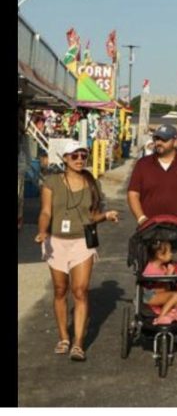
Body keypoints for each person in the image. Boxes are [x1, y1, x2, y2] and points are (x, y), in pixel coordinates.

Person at [35, 140, 120, 361]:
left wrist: (106, 216)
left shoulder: (92, 183)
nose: (80, 159)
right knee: (60, 290)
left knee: (80, 290)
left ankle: (78, 343)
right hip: (56, 242)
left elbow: (92, 216)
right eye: (75, 156)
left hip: (83, 241)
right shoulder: (52, 182)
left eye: (84, 155)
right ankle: (64, 337)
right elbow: (45, 211)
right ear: (64, 158)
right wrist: (43, 231)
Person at [127, 124, 177, 226]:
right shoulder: (143, 164)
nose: (159, 143)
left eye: (164, 140)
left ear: (176, 141)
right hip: (149, 228)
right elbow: (133, 193)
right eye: (156, 139)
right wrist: (141, 218)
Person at [142, 239, 177, 325]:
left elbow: (167, 287)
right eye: (169, 252)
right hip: (151, 296)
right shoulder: (150, 269)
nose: (171, 254)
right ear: (160, 255)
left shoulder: (163, 267)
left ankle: (173, 313)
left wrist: (172, 274)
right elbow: (155, 289)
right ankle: (160, 318)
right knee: (175, 295)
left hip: (164, 294)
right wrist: (167, 276)